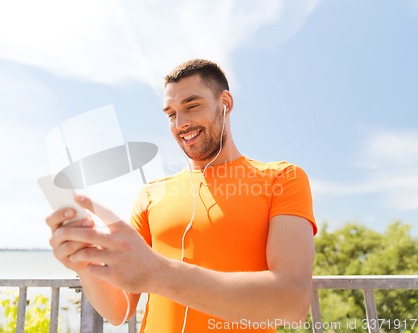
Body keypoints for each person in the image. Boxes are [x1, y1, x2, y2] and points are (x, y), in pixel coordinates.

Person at [46, 59, 317, 333]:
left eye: (191, 106)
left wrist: (160, 274)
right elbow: (119, 311)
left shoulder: (282, 178)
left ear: (225, 103)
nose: (181, 123)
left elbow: (291, 304)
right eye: (171, 114)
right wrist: (83, 262)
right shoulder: (151, 195)